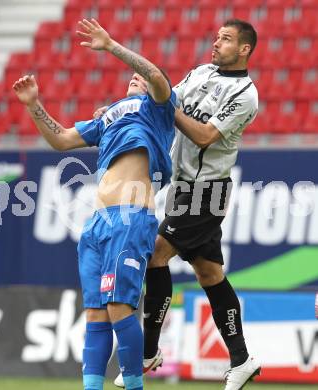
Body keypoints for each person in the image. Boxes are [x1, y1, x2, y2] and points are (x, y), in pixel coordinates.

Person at [13, 18, 177, 390]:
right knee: (96, 316)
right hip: (97, 223)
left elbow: (153, 74)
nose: (136, 78)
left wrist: (110, 46)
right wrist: (34, 106)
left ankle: (135, 386)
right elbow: (62, 140)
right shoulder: (108, 118)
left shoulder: (157, 109)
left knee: (120, 310)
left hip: (131, 217)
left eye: (140, 75)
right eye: (131, 77)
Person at [114, 19, 261, 390]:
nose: (216, 43)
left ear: (244, 49)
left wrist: (167, 107)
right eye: (216, 37)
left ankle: (148, 351)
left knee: (155, 255)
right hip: (184, 189)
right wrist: (124, 107)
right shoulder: (199, 73)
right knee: (210, 275)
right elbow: (162, 97)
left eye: (226, 39)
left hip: (206, 191)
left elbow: (205, 134)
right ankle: (242, 359)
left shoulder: (245, 93)